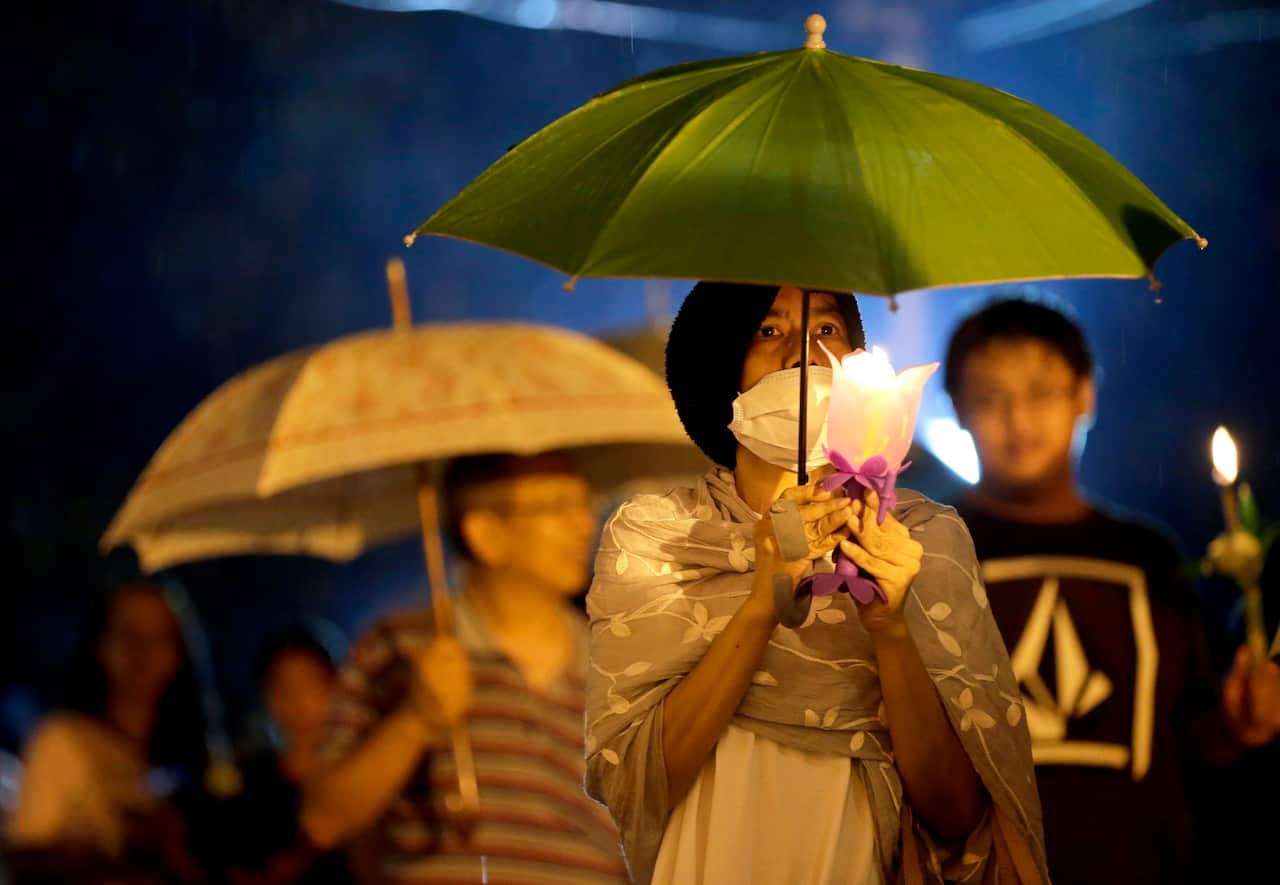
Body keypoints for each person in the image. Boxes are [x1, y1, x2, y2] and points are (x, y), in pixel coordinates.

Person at [586, 283, 1048, 885]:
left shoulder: (919, 541)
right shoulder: (660, 539)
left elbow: (958, 817)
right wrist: (761, 605)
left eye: (826, 331)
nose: (802, 355)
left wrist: (888, 628)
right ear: (719, 361)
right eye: (769, 331)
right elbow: (638, 781)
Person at [942, 296, 1280, 885]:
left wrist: (1241, 720)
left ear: (1085, 395)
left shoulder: (1146, 555)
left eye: (1041, 392)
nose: (1018, 420)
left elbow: (1191, 739)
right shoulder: (931, 547)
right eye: (990, 397)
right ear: (958, 409)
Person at [299, 452, 628, 883]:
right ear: (486, 534)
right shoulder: (402, 646)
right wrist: (416, 720)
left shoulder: (619, 664)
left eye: (585, 503)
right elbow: (323, 820)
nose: (586, 524)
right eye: (557, 506)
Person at [5, 580, 212, 883]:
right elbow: (26, 856)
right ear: (99, 645)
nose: (142, 652)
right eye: (127, 634)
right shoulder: (63, 741)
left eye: (159, 637)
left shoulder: (170, 764)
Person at [224, 624, 354, 885]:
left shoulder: (357, 773)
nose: (298, 703)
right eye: (283, 688)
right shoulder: (252, 779)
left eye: (310, 685)